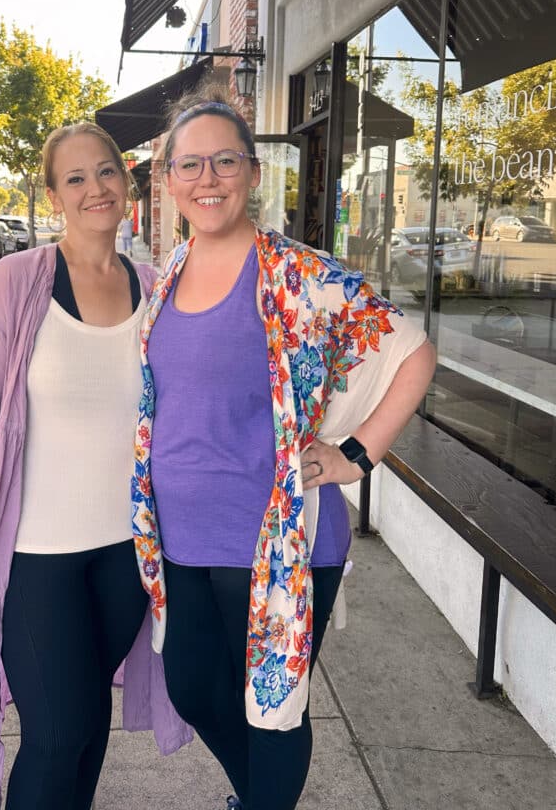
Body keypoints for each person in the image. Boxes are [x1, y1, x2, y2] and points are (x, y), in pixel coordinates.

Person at [131, 91, 436, 810]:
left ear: (253, 171)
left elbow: (412, 352)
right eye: (191, 164)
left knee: (272, 706)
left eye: (225, 161)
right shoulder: (169, 273)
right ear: (170, 179)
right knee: (193, 687)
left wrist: (357, 454)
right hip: (182, 533)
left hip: (273, 538)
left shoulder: (301, 274)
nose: (209, 178)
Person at [0, 122, 190, 810]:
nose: (94, 188)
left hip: (127, 553)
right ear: (53, 196)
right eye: (75, 178)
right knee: (56, 732)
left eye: (106, 172)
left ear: (128, 183)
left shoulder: (155, 288)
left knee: (84, 727)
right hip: (33, 553)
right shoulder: (17, 282)